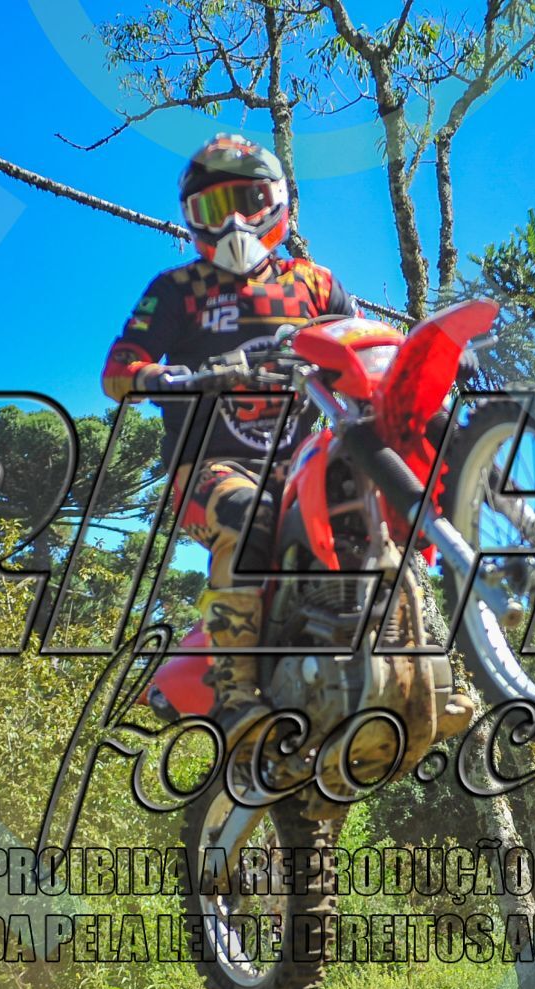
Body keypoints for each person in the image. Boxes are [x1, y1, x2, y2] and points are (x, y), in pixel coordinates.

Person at [101, 133, 359, 739]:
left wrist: (417, 357)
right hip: (208, 467)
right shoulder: (178, 288)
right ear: (193, 220)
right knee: (249, 519)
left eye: (249, 201)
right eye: (215, 209)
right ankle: (235, 692)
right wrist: (170, 377)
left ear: (278, 202)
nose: (235, 222)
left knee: (367, 507)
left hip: (301, 465)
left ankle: (410, 661)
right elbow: (118, 369)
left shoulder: (316, 284)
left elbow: (358, 346)